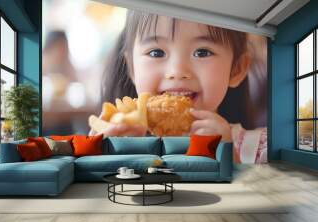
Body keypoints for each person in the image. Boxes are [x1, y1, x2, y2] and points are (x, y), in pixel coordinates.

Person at [93, 10, 267, 163]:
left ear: (236, 69)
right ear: (132, 67)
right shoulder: (115, 141)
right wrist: (101, 154)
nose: (177, 71)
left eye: (202, 52)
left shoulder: (260, 149)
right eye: (156, 52)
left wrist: (229, 158)